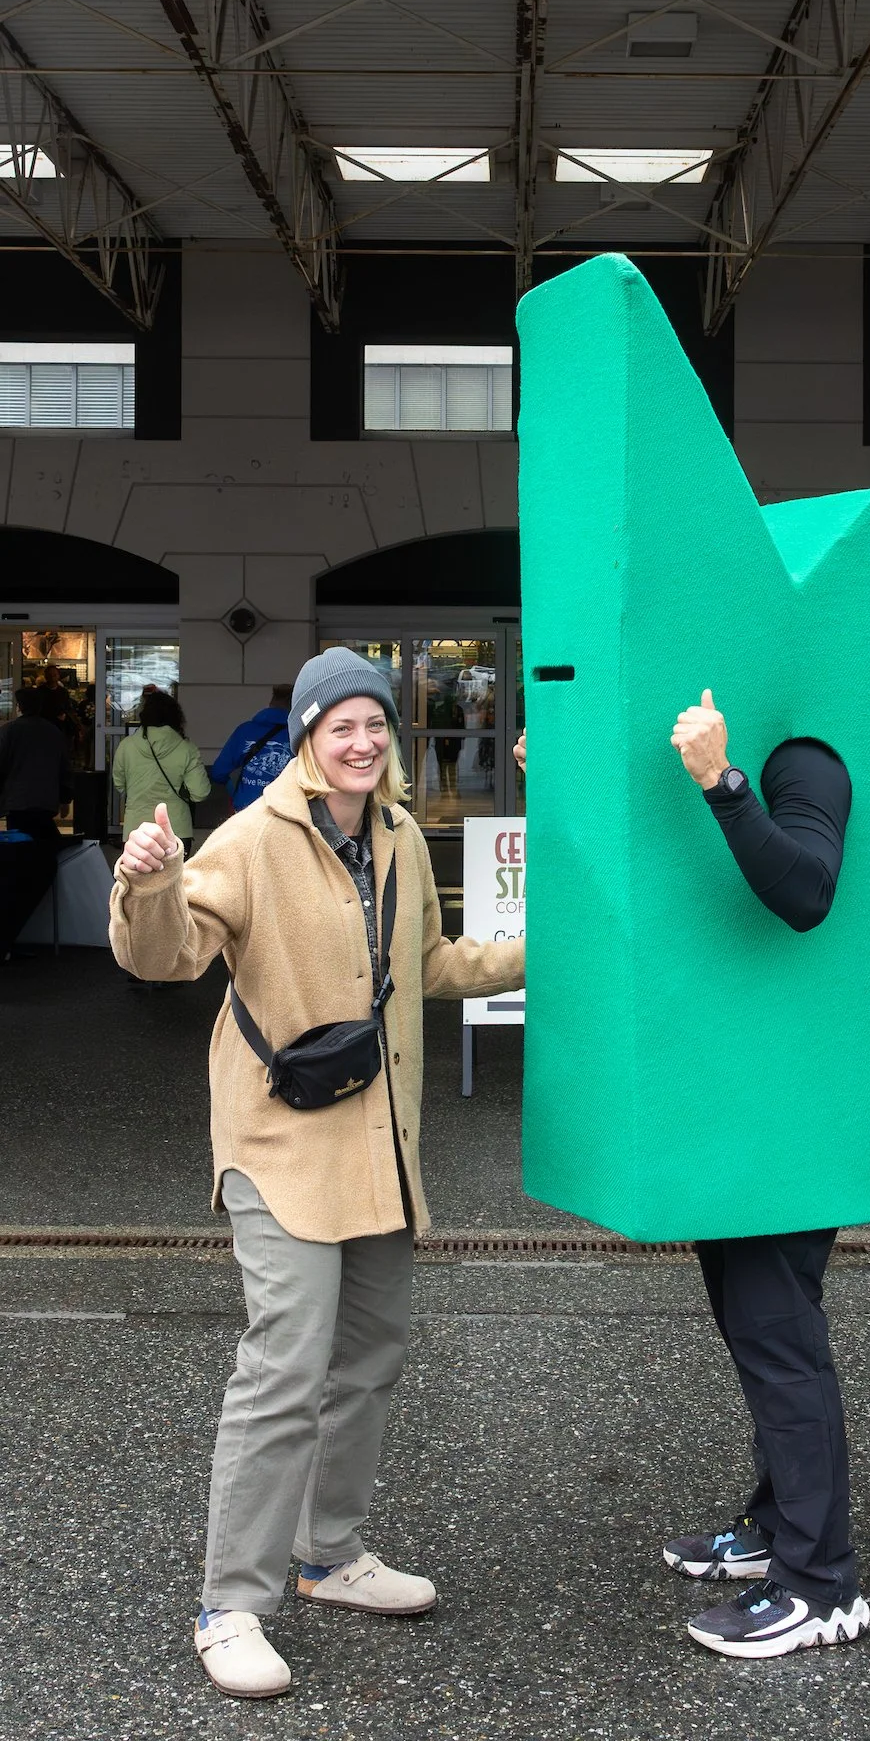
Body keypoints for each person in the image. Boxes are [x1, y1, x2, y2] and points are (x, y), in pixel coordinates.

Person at [108, 646, 526, 1702]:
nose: (361, 740)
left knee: (371, 1356)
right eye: (339, 724)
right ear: (305, 736)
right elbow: (166, 957)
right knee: (282, 1369)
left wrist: (539, 951)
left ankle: (329, 1555)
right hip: (278, 1143)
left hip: (376, 1145)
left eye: (374, 724)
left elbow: (429, 966)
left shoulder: (390, 832)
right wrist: (144, 885)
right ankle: (230, 1605)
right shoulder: (252, 838)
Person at [660, 686, 870, 1661]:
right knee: (753, 1325)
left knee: (780, 1335)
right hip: (729, 1094)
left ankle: (820, 1583)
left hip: (792, 1112)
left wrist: (722, 781)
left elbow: (806, 891)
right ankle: (777, 1525)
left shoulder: (805, 754)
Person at [111, 690, 211, 847]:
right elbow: (200, 793)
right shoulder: (186, 749)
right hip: (176, 831)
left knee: (139, 871)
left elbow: (119, 784)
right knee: (175, 872)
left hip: (136, 830)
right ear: (175, 717)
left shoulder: (126, 746)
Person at [0, 688, 74, 846]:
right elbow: (64, 768)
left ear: (19, 706)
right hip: (46, 800)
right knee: (45, 845)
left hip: (16, 801)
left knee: (19, 847)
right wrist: (65, 798)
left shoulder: (8, 731)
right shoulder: (53, 731)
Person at [210, 684, 295, 812]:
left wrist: (239, 792)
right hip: (285, 812)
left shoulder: (244, 730)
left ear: (271, 704)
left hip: (246, 811)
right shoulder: (299, 735)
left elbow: (218, 772)